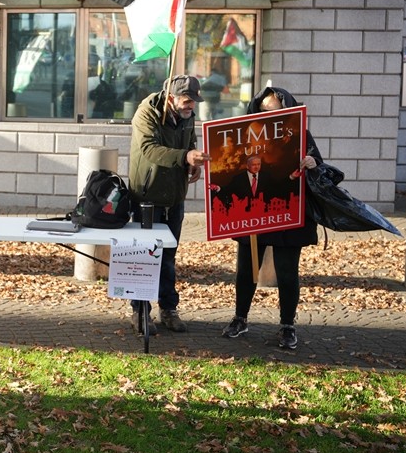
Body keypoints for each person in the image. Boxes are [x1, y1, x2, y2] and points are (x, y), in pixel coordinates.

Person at [221, 86, 321, 351]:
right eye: (263, 110)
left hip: (288, 216)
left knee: (287, 274)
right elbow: (231, 165)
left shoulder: (300, 134)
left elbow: (319, 167)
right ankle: (240, 318)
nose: (268, 114)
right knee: (246, 271)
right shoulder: (246, 137)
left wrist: (311, 162)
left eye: (274, 110)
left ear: (285, 109)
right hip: (255, 215)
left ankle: (287, 325)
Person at [127, 74, 209, 335]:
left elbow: (190, 141)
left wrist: (193, 162)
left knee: (169, 257)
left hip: (175, 196)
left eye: (195, 101)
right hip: (147, 196)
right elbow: (149, 149)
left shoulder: (187, 115)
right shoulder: (146, 113)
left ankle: (168, 308)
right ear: (171, 98)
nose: (191, 106)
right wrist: (185, 157)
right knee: (144, 257)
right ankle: (140, 310)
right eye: (186, 100)